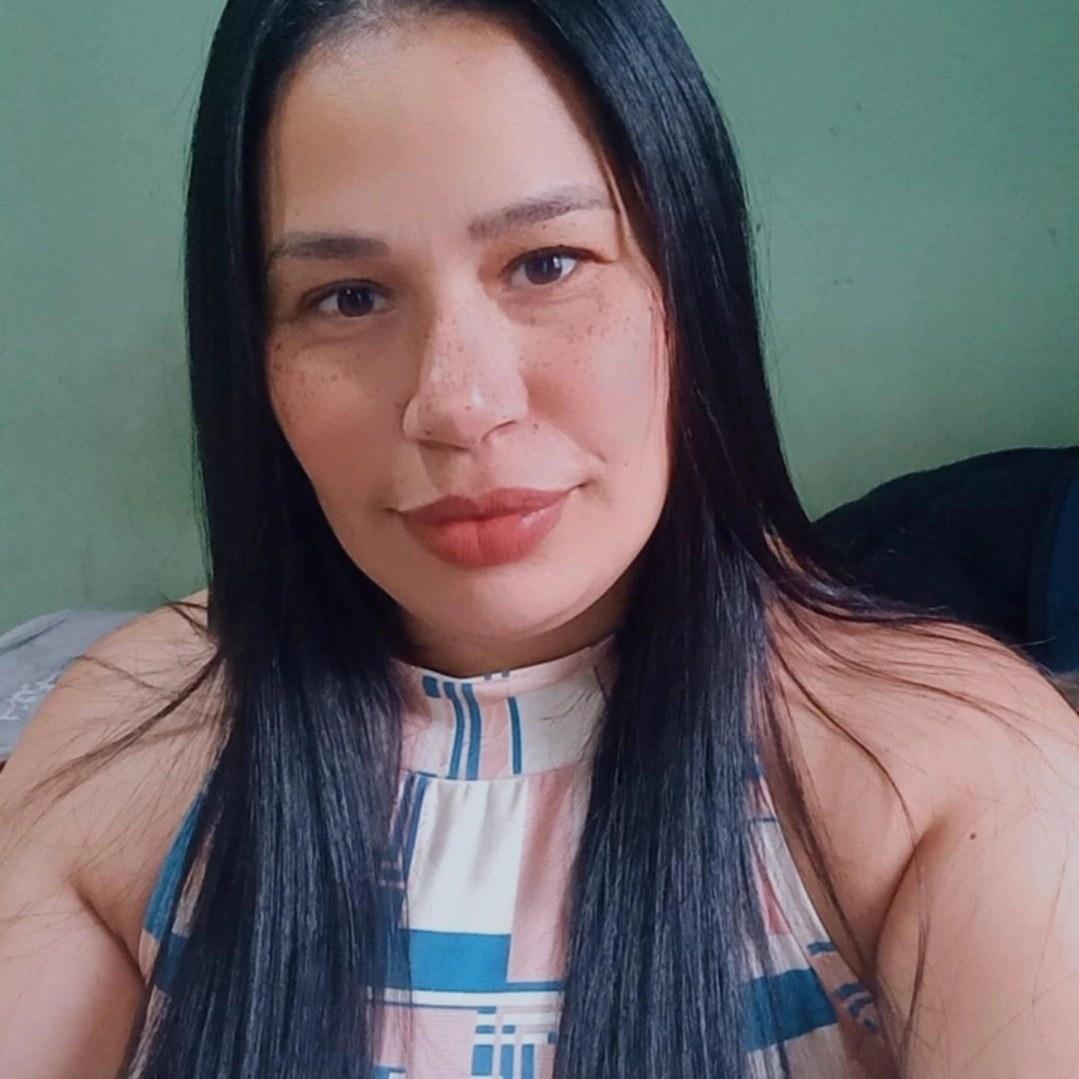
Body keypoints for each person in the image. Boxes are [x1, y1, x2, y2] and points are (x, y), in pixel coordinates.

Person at [0, 2, 1076, 1076]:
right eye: (349, 296)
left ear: (689, 284)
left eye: (548, 264)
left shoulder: (951, 778)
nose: (459, 404)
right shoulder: (124, 746)